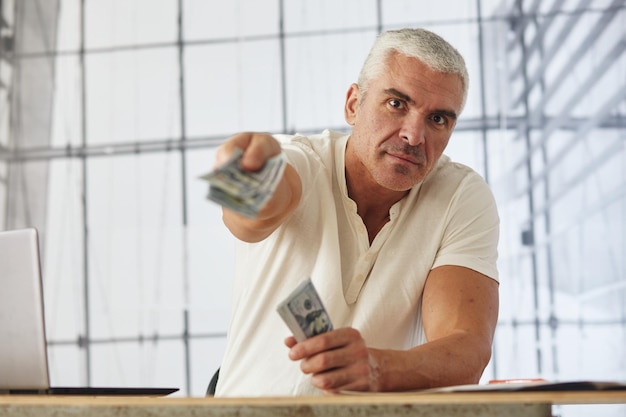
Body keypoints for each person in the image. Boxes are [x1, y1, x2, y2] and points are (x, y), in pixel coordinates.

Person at [212, 27, 499, 397]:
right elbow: (249, 217)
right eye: (397, 104)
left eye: (438, 119)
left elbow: (467, 350)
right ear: (353, 104)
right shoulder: (300, 160)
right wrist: (243, 180)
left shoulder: (461, 195)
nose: (414, 136)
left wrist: (379, 369)